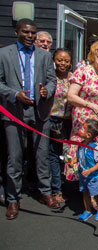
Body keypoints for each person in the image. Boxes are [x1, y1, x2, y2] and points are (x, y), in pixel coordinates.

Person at [0, 18, 58, 219]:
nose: (30, 36)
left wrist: (46, 91)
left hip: (39, 111)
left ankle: (46, 192)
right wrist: (14, 94)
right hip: (14, 111)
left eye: (33, 33)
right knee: (14, 157)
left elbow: (52, 80)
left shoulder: (43, 55)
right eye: (26, 32)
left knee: (42, 155)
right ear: (16, 32)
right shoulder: (4, 54)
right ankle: (13, 199)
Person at [66, 39, 98, 202]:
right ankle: (88, 194)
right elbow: (71, 96)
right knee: (86, 156)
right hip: (85, 123)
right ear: (93, 53)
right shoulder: (83, 70)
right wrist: (91, 105)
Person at [49, 48, 73, 203]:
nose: (62, 63)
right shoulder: (50, 77)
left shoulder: (73, 77)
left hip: (71, 120)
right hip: (54, 120)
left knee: (72, 153)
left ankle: (73, 186)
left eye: (66, 60)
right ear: (54, 60)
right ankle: (56, 189)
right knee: (55, 155)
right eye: (59, 60)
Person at [77, 119, 98, 221]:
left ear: (89, 135)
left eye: (83, 128)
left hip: (94, 176)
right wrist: (72, 161)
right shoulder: (81, 144)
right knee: (85, 193)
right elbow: (79, 157)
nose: (80, 129)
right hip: (83, 175)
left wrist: (90, 170)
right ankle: (88, 211)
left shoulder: (96, 147)